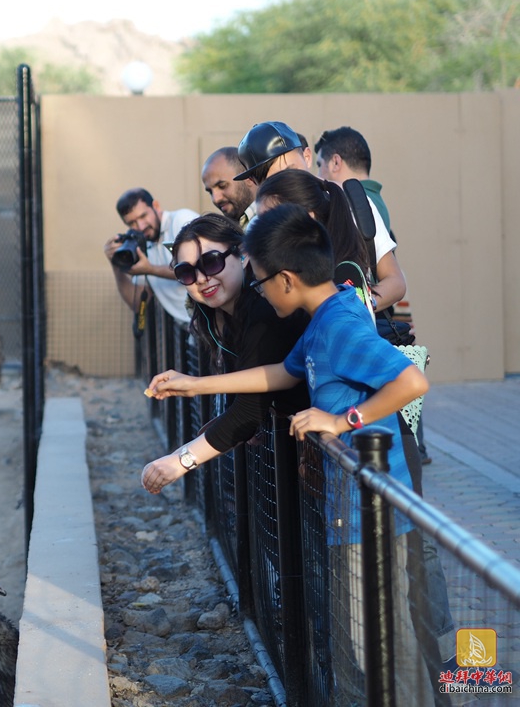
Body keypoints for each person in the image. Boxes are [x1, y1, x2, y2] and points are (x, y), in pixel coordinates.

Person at [148, 204, 432, 706]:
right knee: (360, 645)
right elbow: (280, 374)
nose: (255, 288)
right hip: (347, 511)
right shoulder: (321, 318)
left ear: (284, 279)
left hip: (370, 512)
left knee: (381, 651)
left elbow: (411, 380)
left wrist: (344, 421)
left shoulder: (340, 324)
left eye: (256, 277)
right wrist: (195, 386)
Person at [139, 213, 308, 493]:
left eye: (212, 261)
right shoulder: (222, 316)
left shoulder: (264, 308)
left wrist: (179, 461)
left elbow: (247, 412)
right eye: (186, 272)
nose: (202, 279)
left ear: (242, 254)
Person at [314, 125, 432, 464]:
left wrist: (352, 306)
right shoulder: (371, 198)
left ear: (335, 162)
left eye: (320, 162)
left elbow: (391, 279)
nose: (318, 171)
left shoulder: (355, 201)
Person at [255, 168, 407, 315]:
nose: (261, 230)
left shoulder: (357, 213)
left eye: (268, 220)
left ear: (307, 218)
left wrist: (361, 304)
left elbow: (396, 282)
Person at [102, 187, 198, 326]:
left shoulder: (182, 220)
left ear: (156, 206)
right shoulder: (141, 245)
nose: (140, 226)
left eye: (143, 216)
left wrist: (150, 269)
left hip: (211, 318)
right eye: (131, 223)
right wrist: (116, 265)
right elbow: (137, 304)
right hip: (187, 326)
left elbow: (195, 267)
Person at [233, 121, 315, 187]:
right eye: (274, 182)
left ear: (307, 158)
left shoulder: (327, 203)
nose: (287, 186)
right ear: (253, 181)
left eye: (292, 172)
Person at [200, 147, 256, 226]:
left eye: (222, 186)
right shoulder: (231, 227)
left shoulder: (273, 220)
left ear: (248, 178)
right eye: (210, 192)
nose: (216, 199)